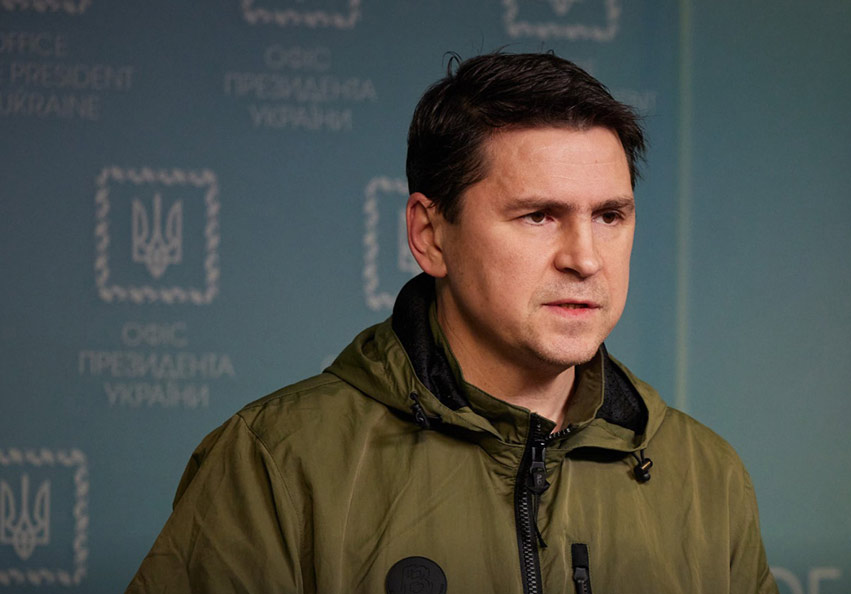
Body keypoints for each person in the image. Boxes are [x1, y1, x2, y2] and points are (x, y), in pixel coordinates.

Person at [127, 52, 778, 594]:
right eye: (538, 216)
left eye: (609, 216)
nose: (585, 259)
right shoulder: (276, 462)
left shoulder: (707, 478)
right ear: (429, 235)